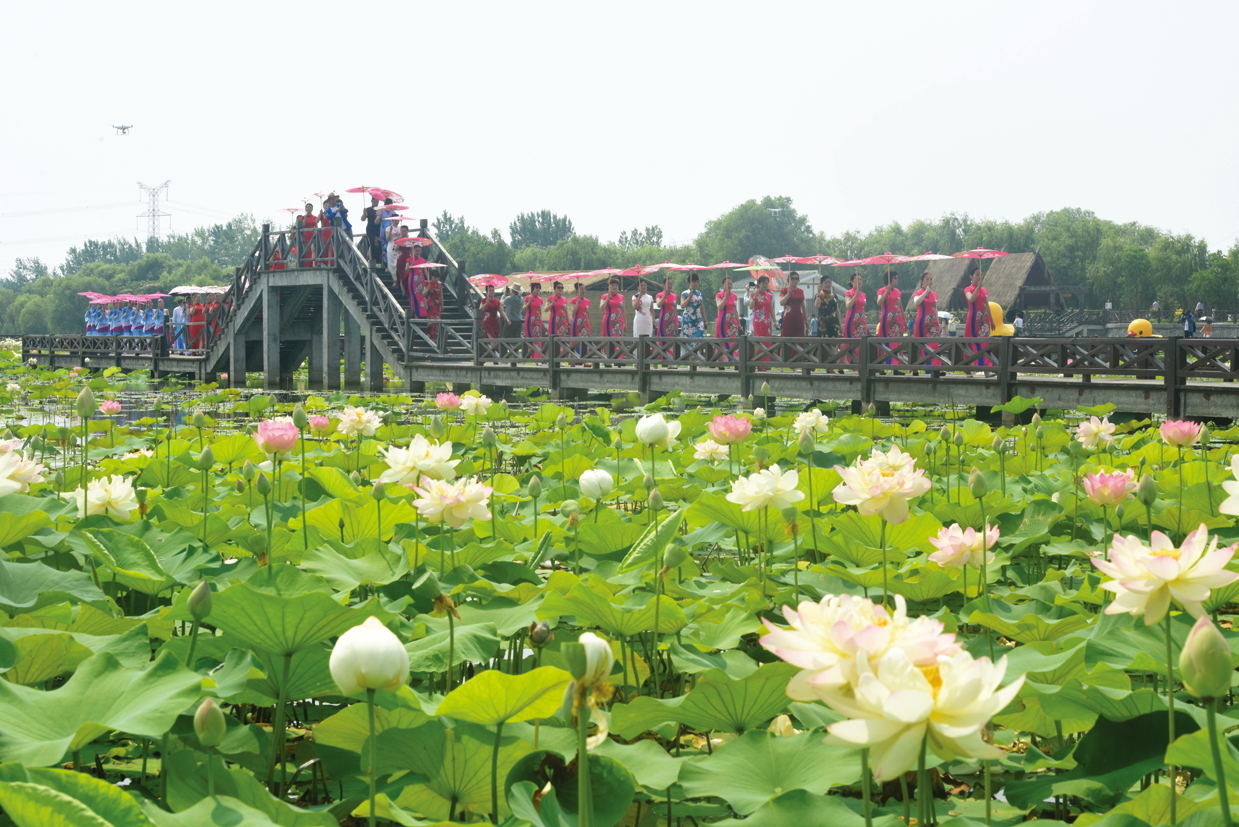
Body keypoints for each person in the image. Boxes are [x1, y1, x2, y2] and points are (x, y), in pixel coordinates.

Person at [963, 267, 994, 366]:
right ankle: (968, 369)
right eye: (977, 274)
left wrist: (991, 321)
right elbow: (971, 299)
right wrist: (977, 287)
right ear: (971, 276)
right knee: (971, 343)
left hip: (984, 321)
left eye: (980, 274)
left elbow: (987, 305)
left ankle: (986, 368)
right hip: (973, 320)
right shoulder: (968, 289)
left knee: (985, 344)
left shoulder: (984, 290)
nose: (979, 276)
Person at [910, 271, 941, 367]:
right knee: (919, 345)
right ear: (922, 281)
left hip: (933, 323)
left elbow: (935, 308)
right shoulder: (918, 293)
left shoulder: (934, 294)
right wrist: (926, 292)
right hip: (921, 323)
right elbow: (916, 303)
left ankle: (934, 367)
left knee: (934, 344)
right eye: (927, 279)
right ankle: (916, 368)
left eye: (931, 279)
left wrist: (938, 323)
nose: (929, 281)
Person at [841, 270, 868, 363]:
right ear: (852, 282)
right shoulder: (848, 293)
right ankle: (849, 362)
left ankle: (860, 364)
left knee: (862, 342)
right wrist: (855, 295)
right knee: (850, 342)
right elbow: (848, 305)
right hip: (852, 321)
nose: (859, 281)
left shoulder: (864, 294)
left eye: (861, 279)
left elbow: (863, 307)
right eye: (857, 279)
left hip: (861, 321)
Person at [714, 274, 741, 361]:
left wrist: (739, 323)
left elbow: (735, 310)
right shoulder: (719, 295)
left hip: (732, 323)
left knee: (734, 342)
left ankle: (734, 361)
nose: (729, 285)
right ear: (723, 285)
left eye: (730, 284)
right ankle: (721, 363)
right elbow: (719, 307)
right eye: (727, 284)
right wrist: (725, 297)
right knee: (722, 343)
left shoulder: (734, 296)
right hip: (722, 322)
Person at [779, 272, 807, 337]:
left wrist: (805, 320)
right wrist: (788, 294)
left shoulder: (800, 291)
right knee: (787, 339)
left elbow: (803, 307)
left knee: (799, 339)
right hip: (788, 318)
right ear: (788, 280)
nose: (795, 280)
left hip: (799, 318)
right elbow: (781, 303)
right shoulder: (784, 290)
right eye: (792, 278)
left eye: (796, 278)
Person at [679, 273, 705, 338]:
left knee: (700, 334)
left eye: (696, 281)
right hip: (688, 318)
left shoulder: (699, 293)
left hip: (698, 318)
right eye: (693, 282)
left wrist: (705, 320)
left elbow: (702, 307)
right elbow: (682, 305)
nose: (695, 283)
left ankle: (698, 348)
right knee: (688, 338)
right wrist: (689, 298)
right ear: (689, 283)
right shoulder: (684, 293)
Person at [523, 282, 546, 356]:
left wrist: (541, 320)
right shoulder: (528, 297)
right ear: (533, 289)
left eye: (539, 288)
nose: (538, 290)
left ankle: (538, 356)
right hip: (530, 321)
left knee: (538, 338)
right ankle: (530, 357)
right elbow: (523, 309)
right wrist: (528, 302)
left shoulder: (540, 299)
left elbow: (540, 310)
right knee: (530, 338)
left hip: (538, 321)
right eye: (536, 288)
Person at [423, 271, 443, 343]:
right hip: (430, 305)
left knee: (437, 322)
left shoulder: (439, 285)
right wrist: (428, 289)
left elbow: (441, 295)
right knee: (431, 322)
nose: (436, 279)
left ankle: (435, 338)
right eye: (435, 277)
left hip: (437, 305)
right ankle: (430, 337)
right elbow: (423, 294)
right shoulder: (428, 284)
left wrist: (442, 305)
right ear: (432, 277)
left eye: (437, 277)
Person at [362, 197, 382, 263]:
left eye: (377, 200)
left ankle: (378, 262)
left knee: (379, 245)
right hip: (370, 229)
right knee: (372, 244)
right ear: (371, 201)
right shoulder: (368, 209)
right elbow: (363, 219)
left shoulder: (381, 209)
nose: (375, 201)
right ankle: (372, 261)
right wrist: (364, 213)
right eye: (374, 200)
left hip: (378, 229)